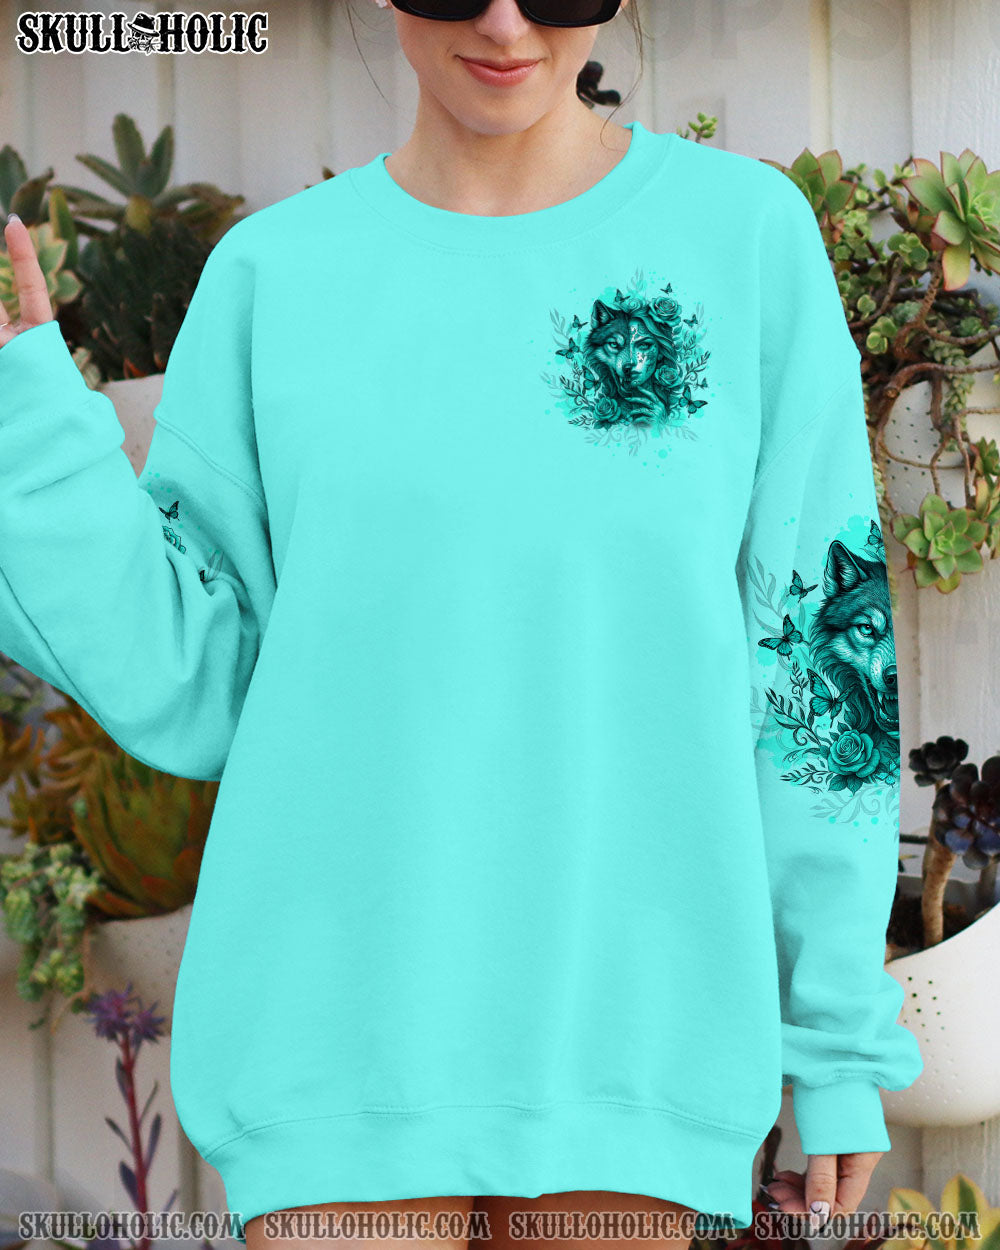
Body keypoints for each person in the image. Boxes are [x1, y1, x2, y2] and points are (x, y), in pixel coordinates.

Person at [0, 1, 924, 1247]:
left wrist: (834, 1041)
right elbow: (197, 675)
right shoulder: (275, 275)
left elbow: (821, 662)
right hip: (332, 1031)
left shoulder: (743, 238)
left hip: (632, 1027)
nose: (503, 20)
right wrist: (28, 434)